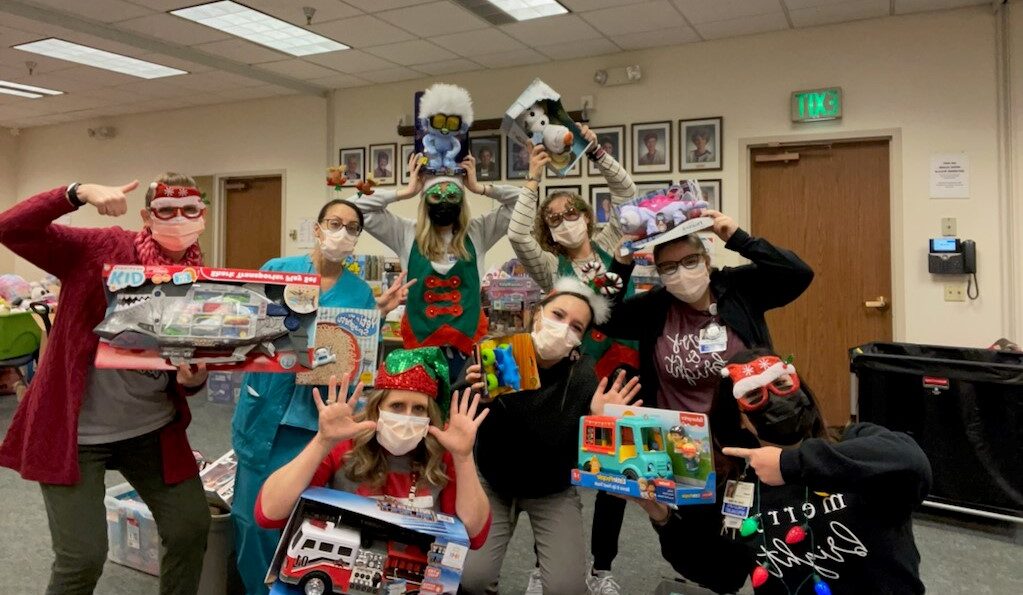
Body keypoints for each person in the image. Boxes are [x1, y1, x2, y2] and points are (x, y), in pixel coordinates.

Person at [0, 176, 212, 595]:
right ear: (147, 217)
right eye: (166, 211)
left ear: (203, 217)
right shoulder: (104, 247)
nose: (179, 220)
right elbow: (11, 228)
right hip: (76, 431)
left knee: (191, 527)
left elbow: (187, 366)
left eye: (191, 210)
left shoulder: (202, 276)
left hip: (151, 427)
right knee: (81, 558)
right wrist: (77, 193)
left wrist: (195, 379)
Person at [631, 348, 932, 594]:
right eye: (754, 396)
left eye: (783, 385)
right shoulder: (737, 488)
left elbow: (913, 463)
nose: (776, 399)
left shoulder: (853, 444)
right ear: (739, 420)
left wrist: (790, 464)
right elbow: (723, 576)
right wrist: (664, 518)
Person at [231, 198, 415, 594]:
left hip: (312, 420)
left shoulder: (359, 292)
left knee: (297, 516)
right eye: (335, 223)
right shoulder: (277, 271)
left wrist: (375, 315)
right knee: (249, 518)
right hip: (263, 409)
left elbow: (359, 352)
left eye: (352, 228)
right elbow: (244, 326)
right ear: (317, 228)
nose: (342, 233)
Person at [507, 126, 641, 593]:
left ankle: (601, 569)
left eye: (570, 213)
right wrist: (532, 179)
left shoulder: (611, 240)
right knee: (557, 466)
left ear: (586, 215)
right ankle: (547, 563)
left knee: (615, 474)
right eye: (555, 217)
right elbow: (515, 231)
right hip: (572, 376)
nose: (564, 221)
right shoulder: (548, 266)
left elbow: (627, 194)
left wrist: (597, 151)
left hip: (621, 369)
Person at [459, 277, 642, 595]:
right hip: (494, 482)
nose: (564, 329)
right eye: (558, 316)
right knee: (471, 579)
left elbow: (594, 461)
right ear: (536, 313)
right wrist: (475, 396)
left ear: (580, 340)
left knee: (566, 588)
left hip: (552, 489)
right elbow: (456, 419)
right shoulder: (495, 353)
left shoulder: (584, 375)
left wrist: (602, 421)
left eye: (576, 327)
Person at [255, 347, 492, 554]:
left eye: (419, 409)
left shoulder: (442, 451)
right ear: (377, 408)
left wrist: (463, 457)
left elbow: (475, 535)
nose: (407, 418)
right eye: (397, 406)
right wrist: (322, 441)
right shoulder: (345, 442)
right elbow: (269, 512)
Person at [605, 210, 814, 414]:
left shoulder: (737, 290)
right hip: (673, 435)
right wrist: (621, 264)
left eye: (690, 261)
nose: (681, 272)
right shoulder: (655, 307)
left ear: (705, 262)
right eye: (669, 267)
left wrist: (738, 238)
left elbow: (798, 274)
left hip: (744, 428)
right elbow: (605, 317)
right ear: (660, 273)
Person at [354, 152, 520, 373]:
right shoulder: (405, 232)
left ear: (461, 200)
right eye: (435, 195)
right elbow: (353, 208)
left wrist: (480, 188)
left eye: (452, 195)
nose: (444, 201)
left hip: (468, 347)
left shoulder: (478, 231)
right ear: (424, 200)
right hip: (420, 344)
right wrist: (405, 192)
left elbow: (524, 201)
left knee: (465, 404)